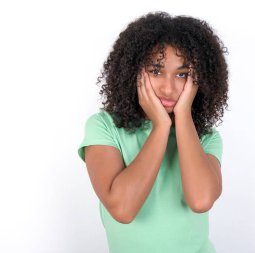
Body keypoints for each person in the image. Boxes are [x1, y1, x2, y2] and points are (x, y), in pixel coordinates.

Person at [77, 11, 229, 253]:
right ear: (133, 70)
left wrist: (183, 117)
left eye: (182, 74)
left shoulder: (206, 138)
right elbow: (123, 209)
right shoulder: (104, 127)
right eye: (156, 71)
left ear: (198, 80)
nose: (168, 88)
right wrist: (160, 126)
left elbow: (201, 201)